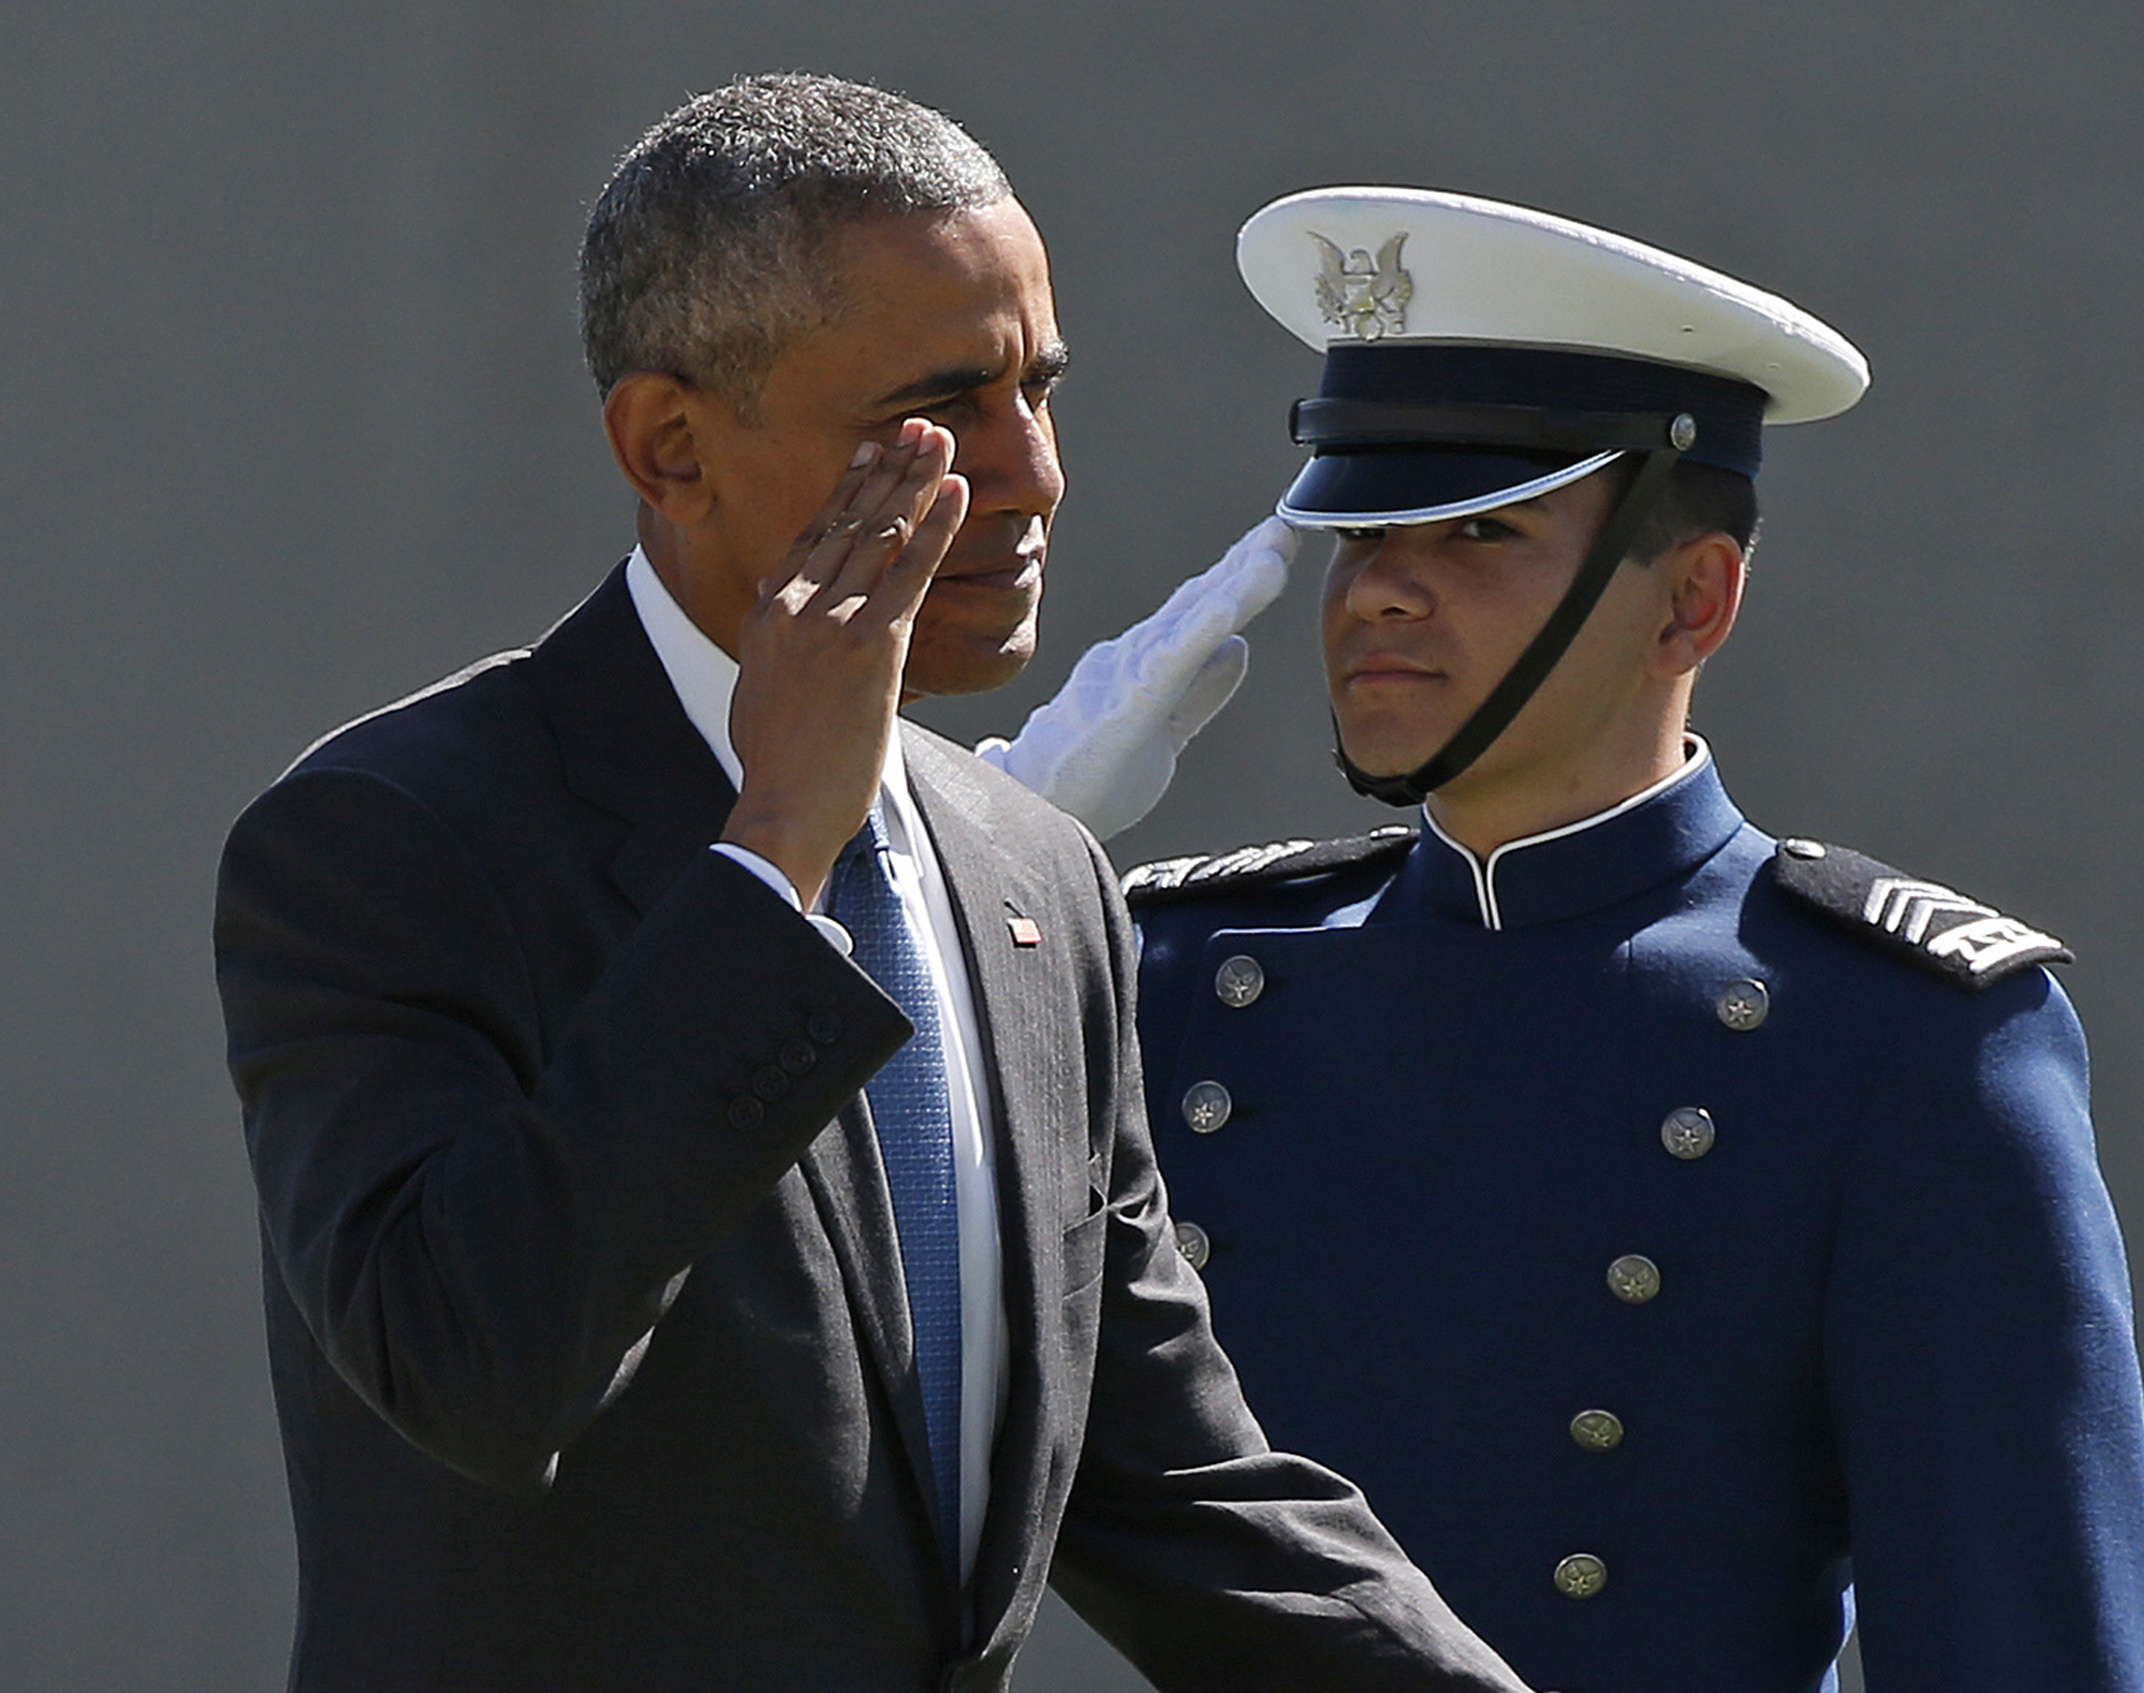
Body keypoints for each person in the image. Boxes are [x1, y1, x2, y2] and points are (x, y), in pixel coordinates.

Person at [213, 82, 1534, 1693]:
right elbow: (477, 1367)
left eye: (1040, 388)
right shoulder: (389, 838)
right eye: (938, 411)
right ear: (670, 444)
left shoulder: (1029, 872)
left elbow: (1177, 1489)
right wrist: (773, 852)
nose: (1030, 473)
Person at [1120, 188, 2144, 1692]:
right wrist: (927, 871)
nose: (1382, 589)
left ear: (1694, 597)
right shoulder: (1176, 979)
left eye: (1481, 527)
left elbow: (2023, 1645)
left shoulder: (1890, 1034)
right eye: (1361, 528)